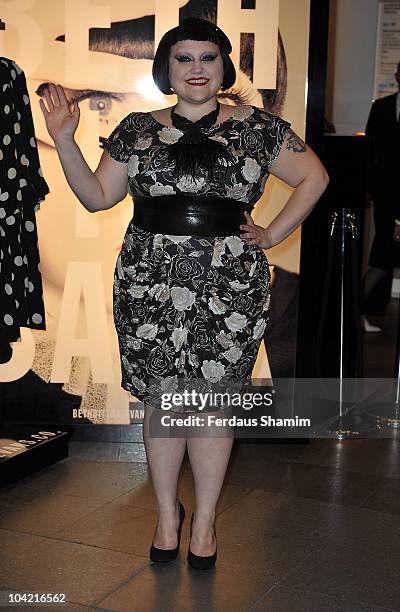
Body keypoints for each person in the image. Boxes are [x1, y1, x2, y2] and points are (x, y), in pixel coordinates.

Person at [39, 18, 328, 570]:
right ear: (166, 68)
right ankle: (167, 517)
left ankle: (205, 520)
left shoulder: (259, 128)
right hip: (150, 281)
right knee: (164, 403)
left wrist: (272, 233)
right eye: (184, 58)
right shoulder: (135, 128)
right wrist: (63, 140)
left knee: (212, 403)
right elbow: (99, 197)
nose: (197, 68)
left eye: (208, 57)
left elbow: (314, 177)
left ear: (223, 66)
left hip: (231, 283)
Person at [362, 61, 400, 332]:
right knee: (383, 255)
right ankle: (358, 310)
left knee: (385, 256)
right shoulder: (383, 107)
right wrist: (369, 188)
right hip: (387, 195)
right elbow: (369, 151)